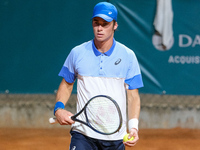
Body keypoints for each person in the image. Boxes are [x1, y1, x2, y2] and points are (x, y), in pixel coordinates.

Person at [53, 2, 143, 150]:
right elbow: (67, 84)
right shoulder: (77, 52)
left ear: (115, 25)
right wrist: (58, 109)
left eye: (105, 24)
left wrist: (133, 126)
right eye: (96, 23)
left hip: (115, 137)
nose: (100, 28)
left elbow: (133, 96)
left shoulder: (128, 56)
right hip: (83, 134)